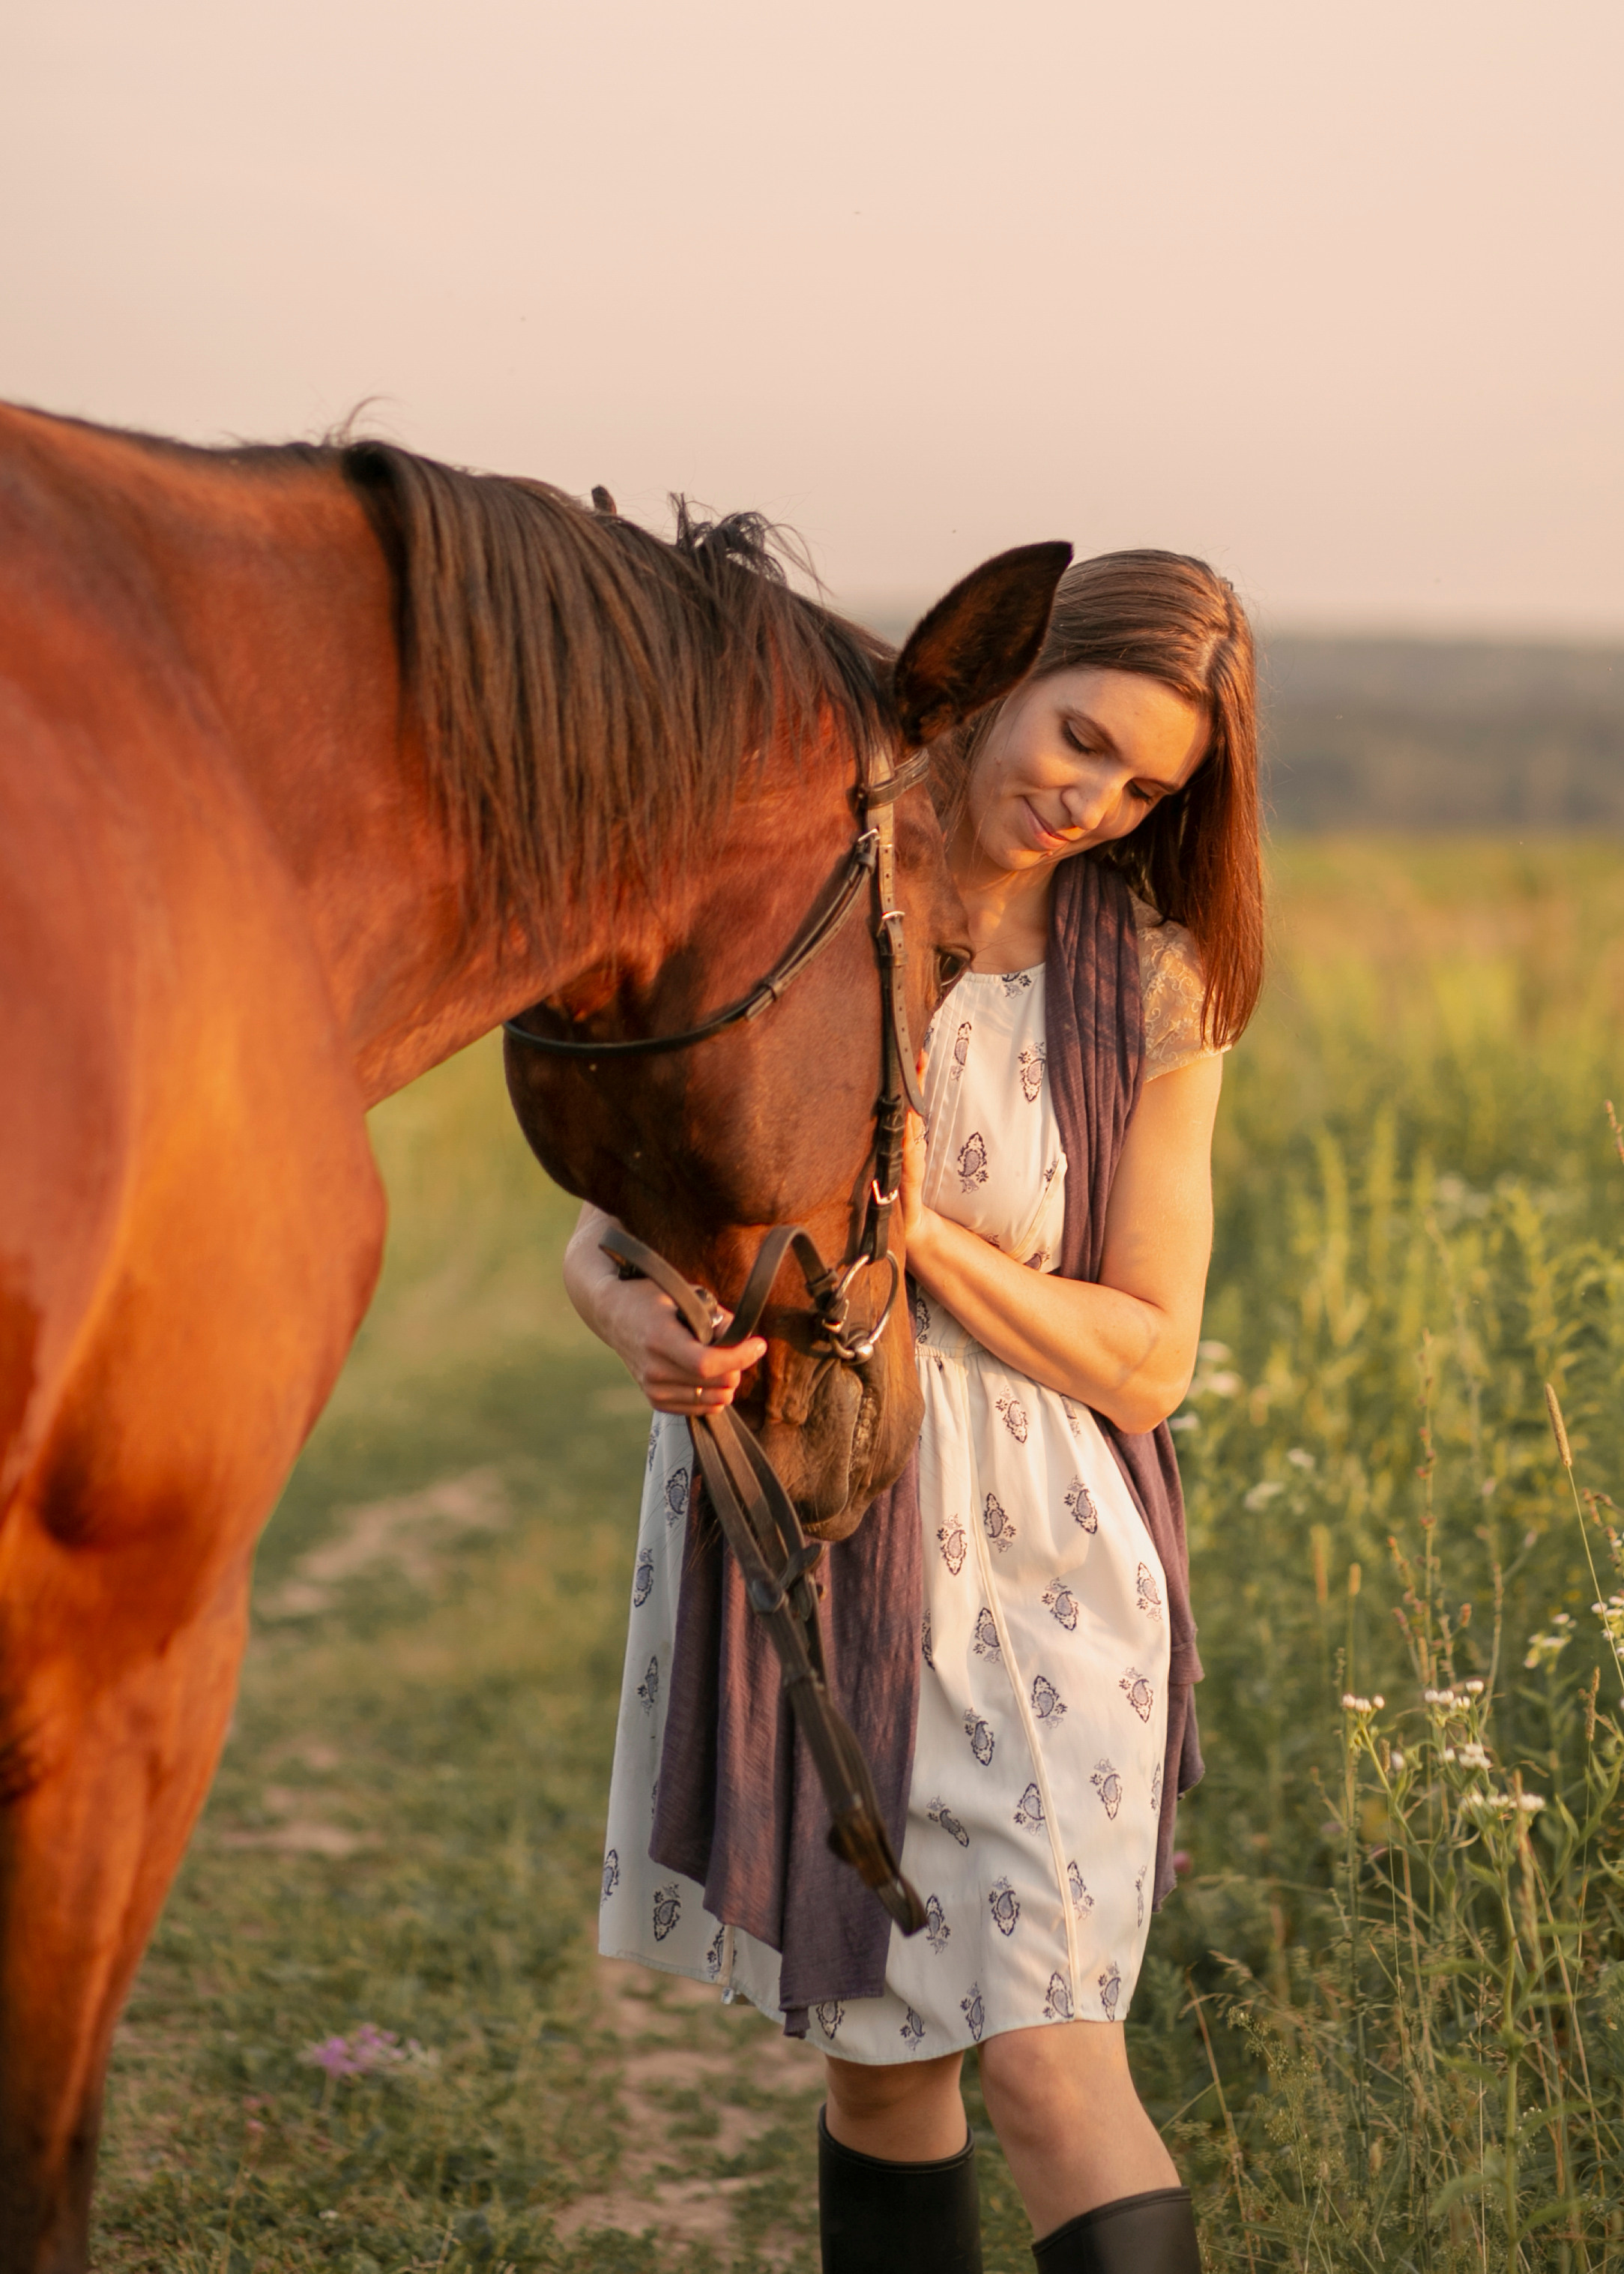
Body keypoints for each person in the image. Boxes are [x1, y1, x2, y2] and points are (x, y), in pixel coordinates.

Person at [564, 550, 1264, 2273]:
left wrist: (911, 1233)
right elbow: (605, 1232)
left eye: (1140, 784)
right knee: (882, 2057)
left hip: (1039, 1556)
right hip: (805, 1512)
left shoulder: (1156, 985)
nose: (1089, 800)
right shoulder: (800, 882)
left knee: (1043, 2053)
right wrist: (641, 1327)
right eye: (1079, 737)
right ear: (1010, 673)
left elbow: (1150, 1356)